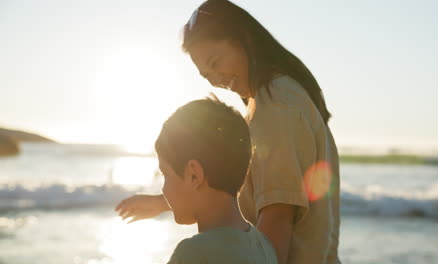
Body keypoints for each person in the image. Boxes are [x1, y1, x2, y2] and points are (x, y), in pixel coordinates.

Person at [116, 0, 341, 263]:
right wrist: (163, 202)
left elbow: (277, 219)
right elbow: (229, 186)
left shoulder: (276, 105)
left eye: (215, 62)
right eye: (206, 74)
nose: (216, 79)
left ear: (241, 38)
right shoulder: (277, 97)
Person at [156, 98, 277, 263]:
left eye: (165, 174)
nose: (163, 189)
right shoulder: (264, 246)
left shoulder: (193, 254)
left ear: (194, 175)